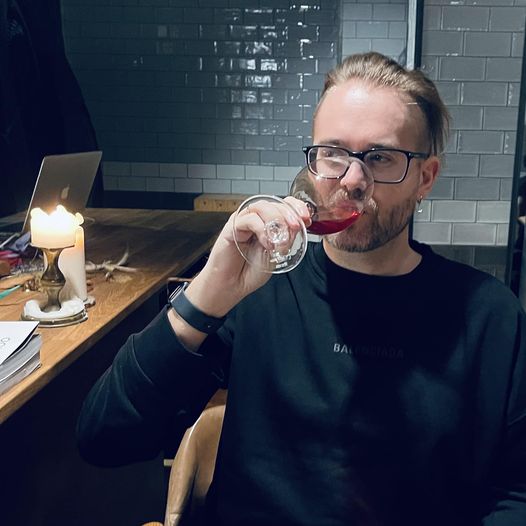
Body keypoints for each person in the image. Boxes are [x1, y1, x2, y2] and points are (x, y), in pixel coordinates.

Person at [77, 52, 526, 525]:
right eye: (333, 153)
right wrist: (207, 293)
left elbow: (517, 490)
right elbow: (105, 439)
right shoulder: (257, 293)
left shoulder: (488, 317)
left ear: (425, 178)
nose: (352, 180)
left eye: (380, 157)